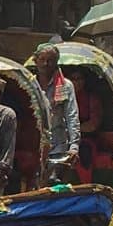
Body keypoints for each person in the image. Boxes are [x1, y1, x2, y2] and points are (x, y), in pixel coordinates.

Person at [31, 44, 79, 175]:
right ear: (35, 61)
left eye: (50, 60)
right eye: (42, 60)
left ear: (56, 62)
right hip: (34, 145)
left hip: (58, 144)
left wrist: (74, 146)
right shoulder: (29, 85)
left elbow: (72, 115)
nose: (46, 64)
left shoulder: (66, 86)